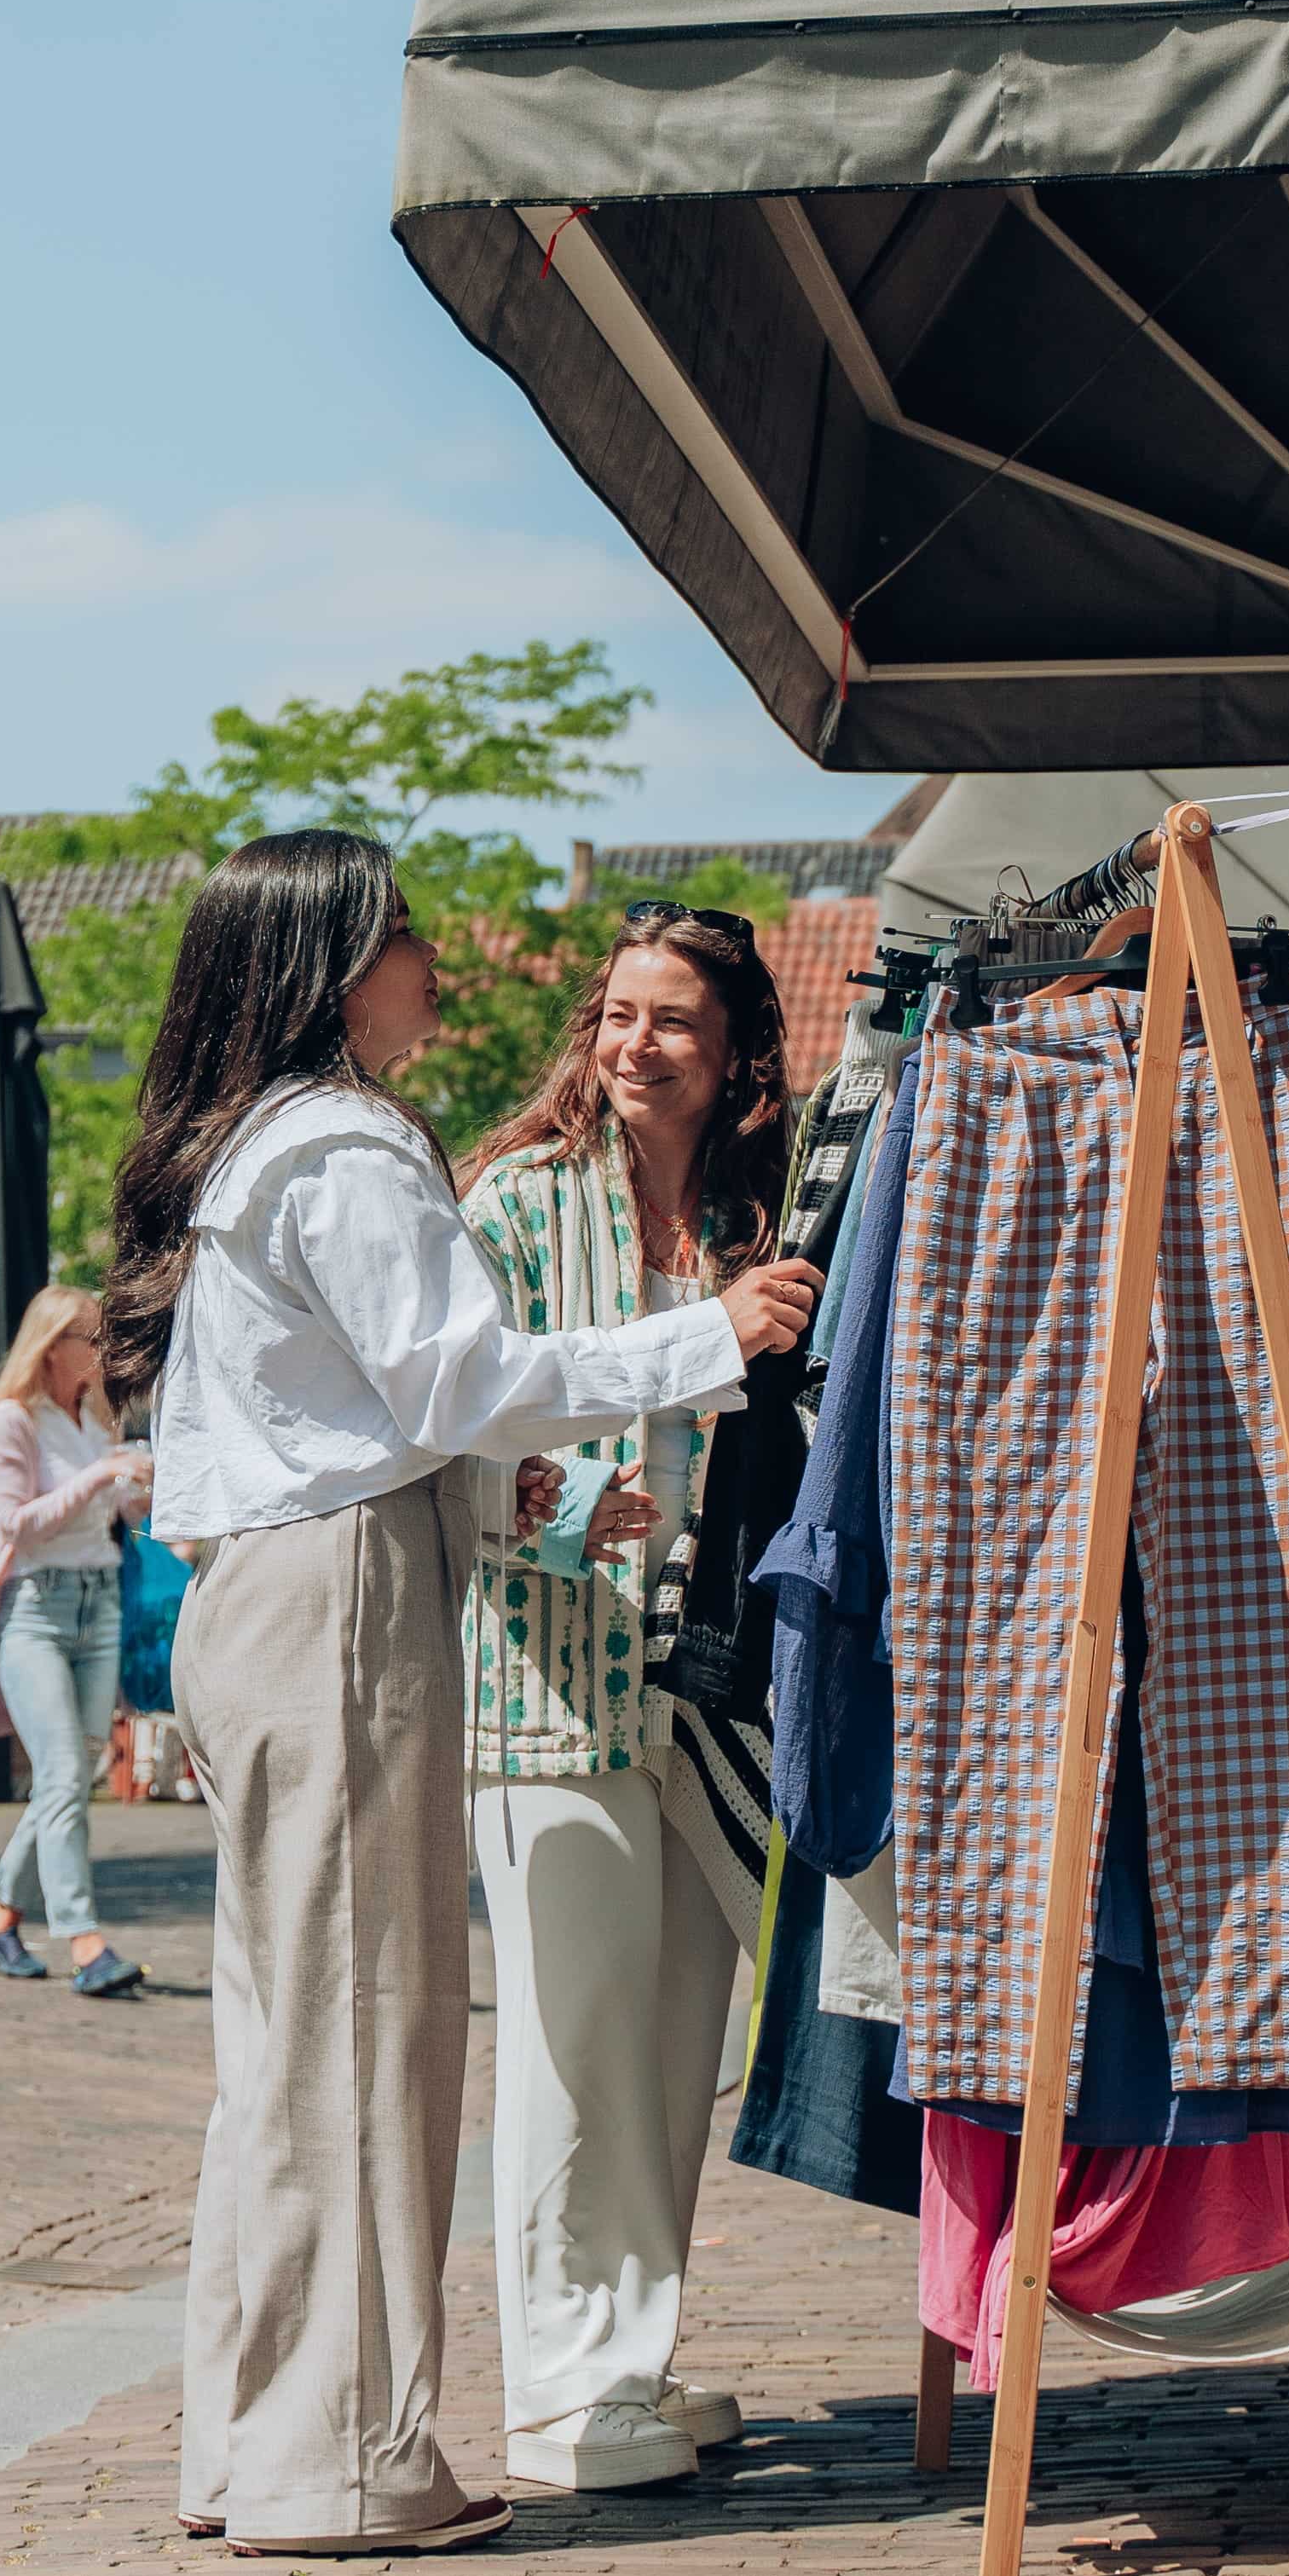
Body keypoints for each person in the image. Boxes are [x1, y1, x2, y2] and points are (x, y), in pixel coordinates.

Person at [113, 829, 817, 2556]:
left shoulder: (254, 1145)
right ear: (338, 964)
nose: (436, 965)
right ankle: (347, 2460)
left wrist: (504, 1489)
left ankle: (257, 2439)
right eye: (409, 936)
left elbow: (349, 1412)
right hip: (345, 1595)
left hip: (284, 1587)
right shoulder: (349, 1146)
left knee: (283, 2049)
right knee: (368, 2037)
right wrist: (707, 1337)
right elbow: (463, 1374)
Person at [448, 903, 796, 2495]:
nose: (635, 1041)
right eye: (617, 1011)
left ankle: (630, 2354)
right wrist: (585, 1509)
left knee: (673, 2043)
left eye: (673, 1020)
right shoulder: (514, 1203)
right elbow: (457, 1430)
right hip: (550, 1679)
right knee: (567, 2041)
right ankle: (559, 2394)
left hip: (707, 1687)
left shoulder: (751, 1216)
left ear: (733, 1060)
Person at [0, 1282, 157, 1999]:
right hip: (35, 1611)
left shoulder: (94, 1420)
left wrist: (135, 1486)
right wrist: (104, 1474)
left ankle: (0, 1920)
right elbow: (16, 1525)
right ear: (53, 1346)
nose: (102, 1350)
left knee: (68, 1775)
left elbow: (112, 1511)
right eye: (91, 1337)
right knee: (64, 1777)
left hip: (99, 1603)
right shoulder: (9, 1422)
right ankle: (85, 1941)